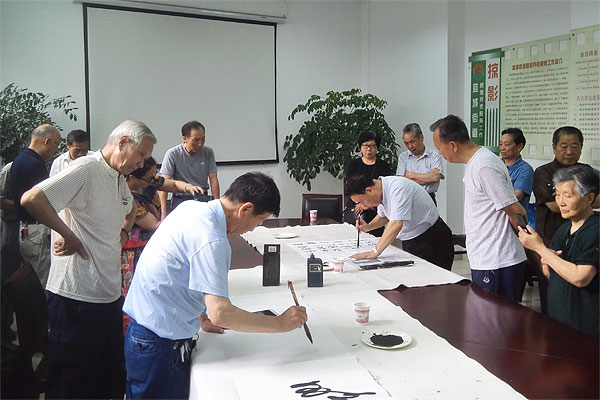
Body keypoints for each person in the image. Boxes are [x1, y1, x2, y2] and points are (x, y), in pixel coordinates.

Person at [123, 172, 307, 399]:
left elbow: (182, 270)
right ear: (245, 209)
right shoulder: (212, 238)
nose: (252, 229)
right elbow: (221, 313)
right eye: (258, 221)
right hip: (159, 344)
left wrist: (202, 316)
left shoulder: (190, 208)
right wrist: (280, 323)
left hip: (143, 332)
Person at [20, 120, 156, 399]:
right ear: (123, 142)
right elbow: (32, 199)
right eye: (141, 154)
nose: (142, 163)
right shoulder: (86, 168)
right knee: (72, 384)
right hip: (76, 298)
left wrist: (123, 232)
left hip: (108, 296)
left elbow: (129, 209)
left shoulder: (117, 175)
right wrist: (67, 234)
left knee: (106, 379)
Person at [431, 115, 527, 301]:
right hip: (487, 257)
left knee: (496, 317)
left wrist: (530, 245)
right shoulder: (476, 162)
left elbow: (516, 211)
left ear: (453, 145)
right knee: (485, 315)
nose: (439, 153)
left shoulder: (484, 166)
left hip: (498, 260)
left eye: (438, 147)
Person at [121, 157, 202, 332]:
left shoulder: (149, 181)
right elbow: (155, 225)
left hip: (152, 244)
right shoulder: (128, 199)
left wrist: (188, 187)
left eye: (155, 176)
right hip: (134, 252)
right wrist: (188, 216)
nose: (154, 180)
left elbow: (173, 184)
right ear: (132, 177)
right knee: (137, 292)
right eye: (150, 178)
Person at [518, 165, 598, 338]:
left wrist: (540, 249)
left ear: (589, 198)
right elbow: (550, 275)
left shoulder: (595, 230)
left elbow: (580, 278)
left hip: (586, 326)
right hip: (559, 321)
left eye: (568, 196)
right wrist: (547, 259)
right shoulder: (563, 229)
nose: (561, 202)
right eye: (557, 195)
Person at [532, 126, 598, 313]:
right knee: (553, 292)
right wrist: (580, 199)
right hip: (551, 237)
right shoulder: (544, 172)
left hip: (581, 236)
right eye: (564, 146)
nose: (569, 151)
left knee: (582, 297)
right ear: (554, 147)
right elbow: (553, 206)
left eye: (574, 146)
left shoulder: (587, 171)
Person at [345, 174, 454, 271]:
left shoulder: (398, 188)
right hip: (411, 241)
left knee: (436, 283)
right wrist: (368, 227)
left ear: (369, 190)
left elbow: (396, 223)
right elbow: (384, 217)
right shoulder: (382, 191)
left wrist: (375, 252)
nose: (362, 206)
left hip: (432, 240)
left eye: (361, 201)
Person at [10, 124, 61, 286]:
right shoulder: (34, 165)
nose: (55, 150)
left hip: (27, 230)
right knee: (42, 281)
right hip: (37, 230)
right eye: (56, 144)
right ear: (47, 141)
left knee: (33, 279)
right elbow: (45, 199)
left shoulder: (20, 159)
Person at [159, 120, 220, 218]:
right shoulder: (173, 154)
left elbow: (213, 179)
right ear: (185, 139)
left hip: (201, 197)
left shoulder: (208, 152)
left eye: (203, 139)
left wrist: (217, 205)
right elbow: (164, 183)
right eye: (196, 140)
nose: (200, 144)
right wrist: (163, 213)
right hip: (181, 198)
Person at [345, 130, 392, 236]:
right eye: (365, 146)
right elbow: (349, 186)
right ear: (360, 147)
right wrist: (361, 203)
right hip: (356, 208)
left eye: (372, 146)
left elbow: (385, 189)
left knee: (375, 238)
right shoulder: (354, 164)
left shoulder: (383, 165)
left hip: (376, 210)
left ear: (377, 147)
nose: (369, 149)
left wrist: (367, 205)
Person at [395, 123, 444, 206]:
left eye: (412, 142)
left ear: (421, 137)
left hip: (428, 198)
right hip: (408, 198)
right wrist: (427, 177)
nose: (410, 146)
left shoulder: (434, 156)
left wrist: (410, 175)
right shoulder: (403, 157)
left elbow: (435, 177)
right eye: (406, 143)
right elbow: (401, 181)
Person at [499, 128, 533, 210]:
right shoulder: (496, 164)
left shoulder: (525, 170)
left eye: (507, 144)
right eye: (500, 144)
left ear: (519, 147)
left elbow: (516, 196)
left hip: (513, 216)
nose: (502, 148)